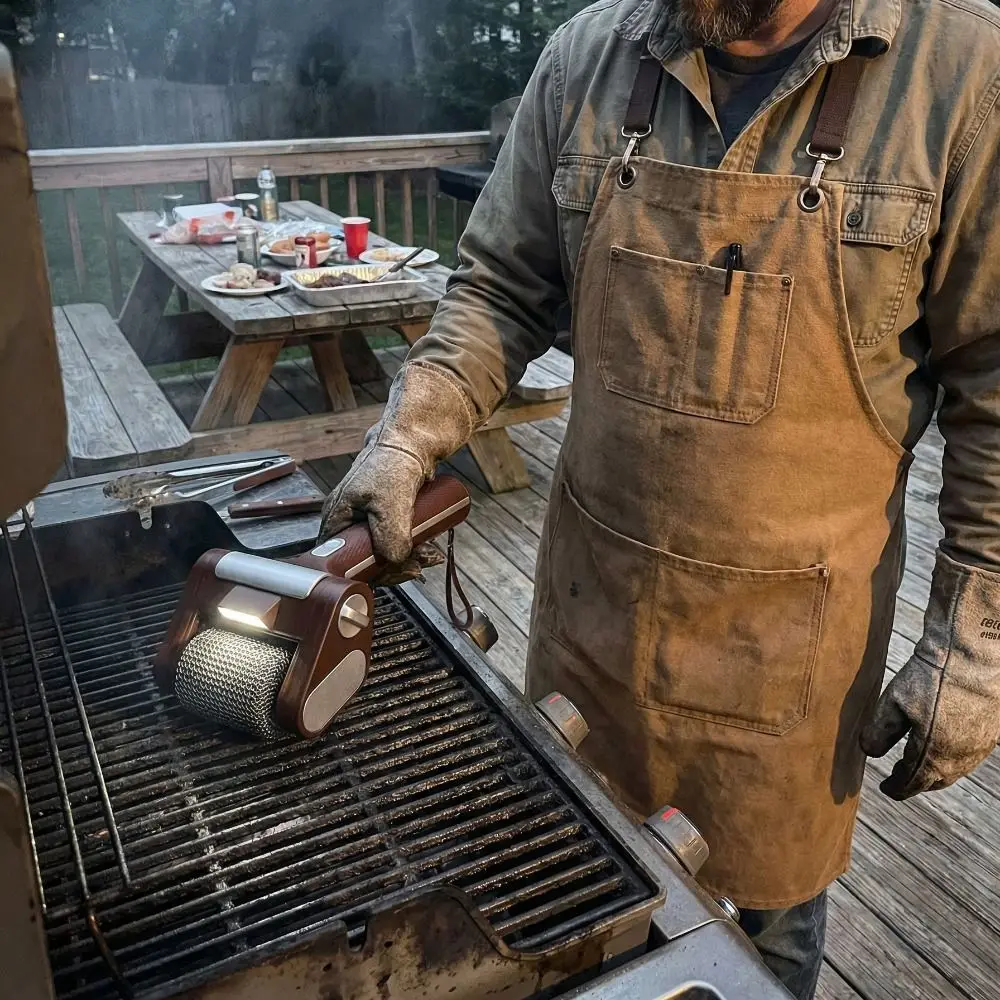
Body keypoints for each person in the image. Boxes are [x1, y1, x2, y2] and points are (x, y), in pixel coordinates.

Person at [316, 0, 1000, 996]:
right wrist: (408, 432)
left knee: (748, 952)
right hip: (591, 630)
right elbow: (502, 288)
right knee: (562, 919)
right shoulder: (588, 57)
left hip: (782, 675)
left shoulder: (960, 73)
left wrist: (975, 643)